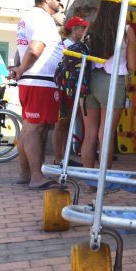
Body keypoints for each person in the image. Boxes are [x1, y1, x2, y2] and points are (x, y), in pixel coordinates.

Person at [9, 0, 66, 189]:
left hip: (32, 80)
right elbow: (34, 49)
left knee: (28, 128)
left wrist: (18, 68)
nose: (60, 1)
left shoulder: (27, 18)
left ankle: (26, 174)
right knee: (35, 129)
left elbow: (21, 48)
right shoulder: (42, 19)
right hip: (39, 80)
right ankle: (36, 177)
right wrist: (21, 69)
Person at [81, 0, 136, 171]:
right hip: (113, 82)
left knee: (89, 135)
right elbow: (133, 66)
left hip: (89, 82)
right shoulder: (127, 30)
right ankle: (103, 182)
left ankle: (90, 183)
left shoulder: (91, 27)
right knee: (105, 135)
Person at [54, 16, 90, 165]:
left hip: (72, 89)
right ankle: (58, 158)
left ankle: (64, 157)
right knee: (62, 123)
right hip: (63, 90)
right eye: (83, 28)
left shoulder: (79, 46)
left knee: (67, 123)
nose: (85, 31)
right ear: (75, 29)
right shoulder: (63, 46)